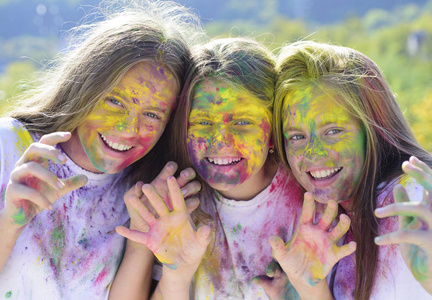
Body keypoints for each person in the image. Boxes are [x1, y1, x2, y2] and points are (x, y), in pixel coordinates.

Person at [115, 37, 356, 300]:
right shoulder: (176, 206)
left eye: (243, 122)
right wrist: (176, 274)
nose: (221, 141)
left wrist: (311, 290)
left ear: (274, 131)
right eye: (204, 122)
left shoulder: (315, 202)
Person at [0, 0, 203, 299]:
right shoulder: (9, 145)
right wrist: (9, 223)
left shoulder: (144, 193)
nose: (128, 129)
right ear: (86, 85)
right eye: (115, 101)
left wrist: (140, 244)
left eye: (152, 115)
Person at [272, 40, 432, 299]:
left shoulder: (418, 194)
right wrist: (310, 289)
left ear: (374, 130)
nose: (313, 153)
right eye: (297, 136)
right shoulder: (328, 219)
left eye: (333, 131)